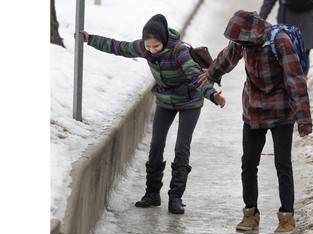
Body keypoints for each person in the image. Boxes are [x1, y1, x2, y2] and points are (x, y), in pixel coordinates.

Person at [76, 14, 225, 215]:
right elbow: (118, 47)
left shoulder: (179, 51)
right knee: (156, 145)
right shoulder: (144, 48)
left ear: (164, 39)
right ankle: (152, 193)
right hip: (165, 100)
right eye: (149, 47)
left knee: (182, 146)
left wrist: (212, 94)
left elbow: (193, 73)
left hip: (190, 101)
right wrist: (89, 38)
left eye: (157, 46)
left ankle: (176, 197)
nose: (153, 50)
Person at [199, 10, 312, 234]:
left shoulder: (279, 41)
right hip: (253, 109)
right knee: (248, 163)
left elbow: (295, 80)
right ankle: (250, 213)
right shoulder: (243, 41)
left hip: (281, 111)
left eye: (239, 40)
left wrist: (303, 120)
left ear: (251, 32)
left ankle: (287, 217)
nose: (237, 43)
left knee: (282, 164)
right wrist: (210, 74)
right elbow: (227, 57)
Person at [259, 0, 313, 76]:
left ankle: (290, 81)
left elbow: (269, 2)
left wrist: (260, 20)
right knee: (304, 53)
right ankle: (301, 80)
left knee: (287, 53)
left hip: (287, 15)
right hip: (309, 17)